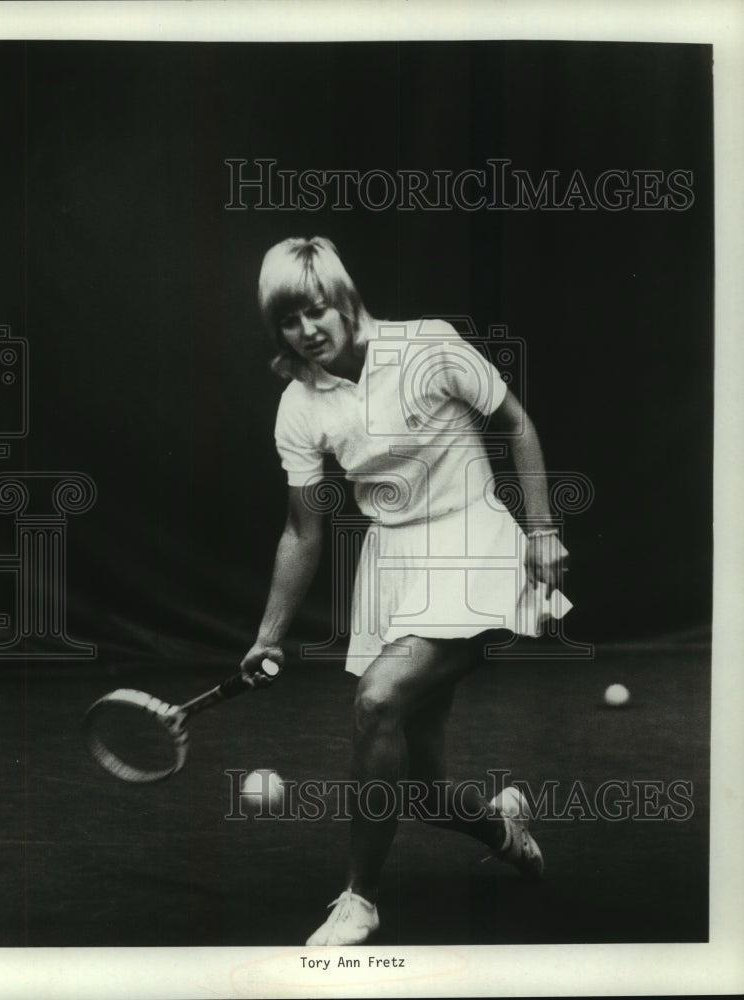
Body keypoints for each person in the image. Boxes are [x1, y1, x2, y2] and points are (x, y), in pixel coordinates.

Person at [239, 236, 570, 946]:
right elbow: (302, 533)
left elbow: (517, 424)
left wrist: (541, 533)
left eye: (316, 310)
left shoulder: (428, 346)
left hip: (474, 542)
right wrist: (268, 635)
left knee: (377, 697)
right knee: (420, 787)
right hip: (394, 566)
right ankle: (501, 827)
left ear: (346, 301)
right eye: (289, 320)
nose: (306, 331)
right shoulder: (299, 407)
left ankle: (359, 898)